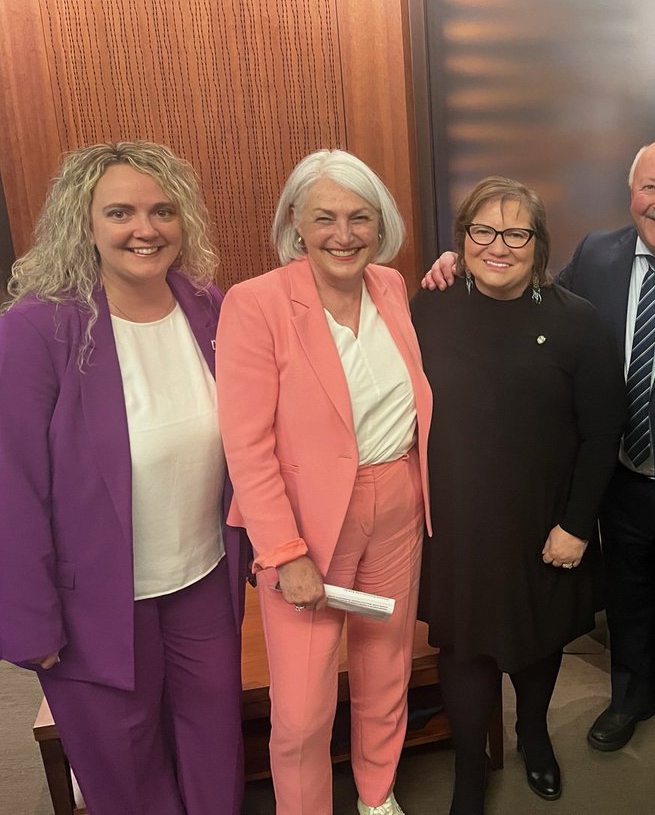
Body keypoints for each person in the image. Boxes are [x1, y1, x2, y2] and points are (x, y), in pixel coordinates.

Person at [423, 137, 655, 795]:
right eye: (650, 187)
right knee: (628, 603)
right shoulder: (597, 254)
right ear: (632, 194)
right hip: (617, 478)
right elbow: (536, 308)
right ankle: (631, 699)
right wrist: (461, 263)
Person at [0, 141, 248, 814]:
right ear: (84, 223)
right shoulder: (37, 328)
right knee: (124, 766)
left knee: (216, 745)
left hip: (202, 583)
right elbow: (11, 490)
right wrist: (29, 624)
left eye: (162, 210)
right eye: (120, 212)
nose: (146, 228)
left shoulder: (207, 306)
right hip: (92, 606)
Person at [216, 149, 432, 815]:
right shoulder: (256, 304)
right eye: (326, 218)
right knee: (304, 708)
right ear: (296, 225)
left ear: (380, 223)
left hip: (398, 501)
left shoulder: (392, 287)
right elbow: (246, 446)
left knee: (385, 670)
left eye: (359, 217)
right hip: (307, 526)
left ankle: (375, 794)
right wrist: (282, 552)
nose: (344, 233)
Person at [410, 176, 624, 813]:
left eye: (515, 232)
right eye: (482, 230)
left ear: (539, 243)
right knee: (465, 648)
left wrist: (577, 526)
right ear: (462, 240)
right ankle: (469, 776)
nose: (497, 245)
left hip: (545, 521)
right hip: (456, 524)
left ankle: (534, 736)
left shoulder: (576, 322)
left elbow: (601, 432)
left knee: (538, 641)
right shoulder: (427, 309)